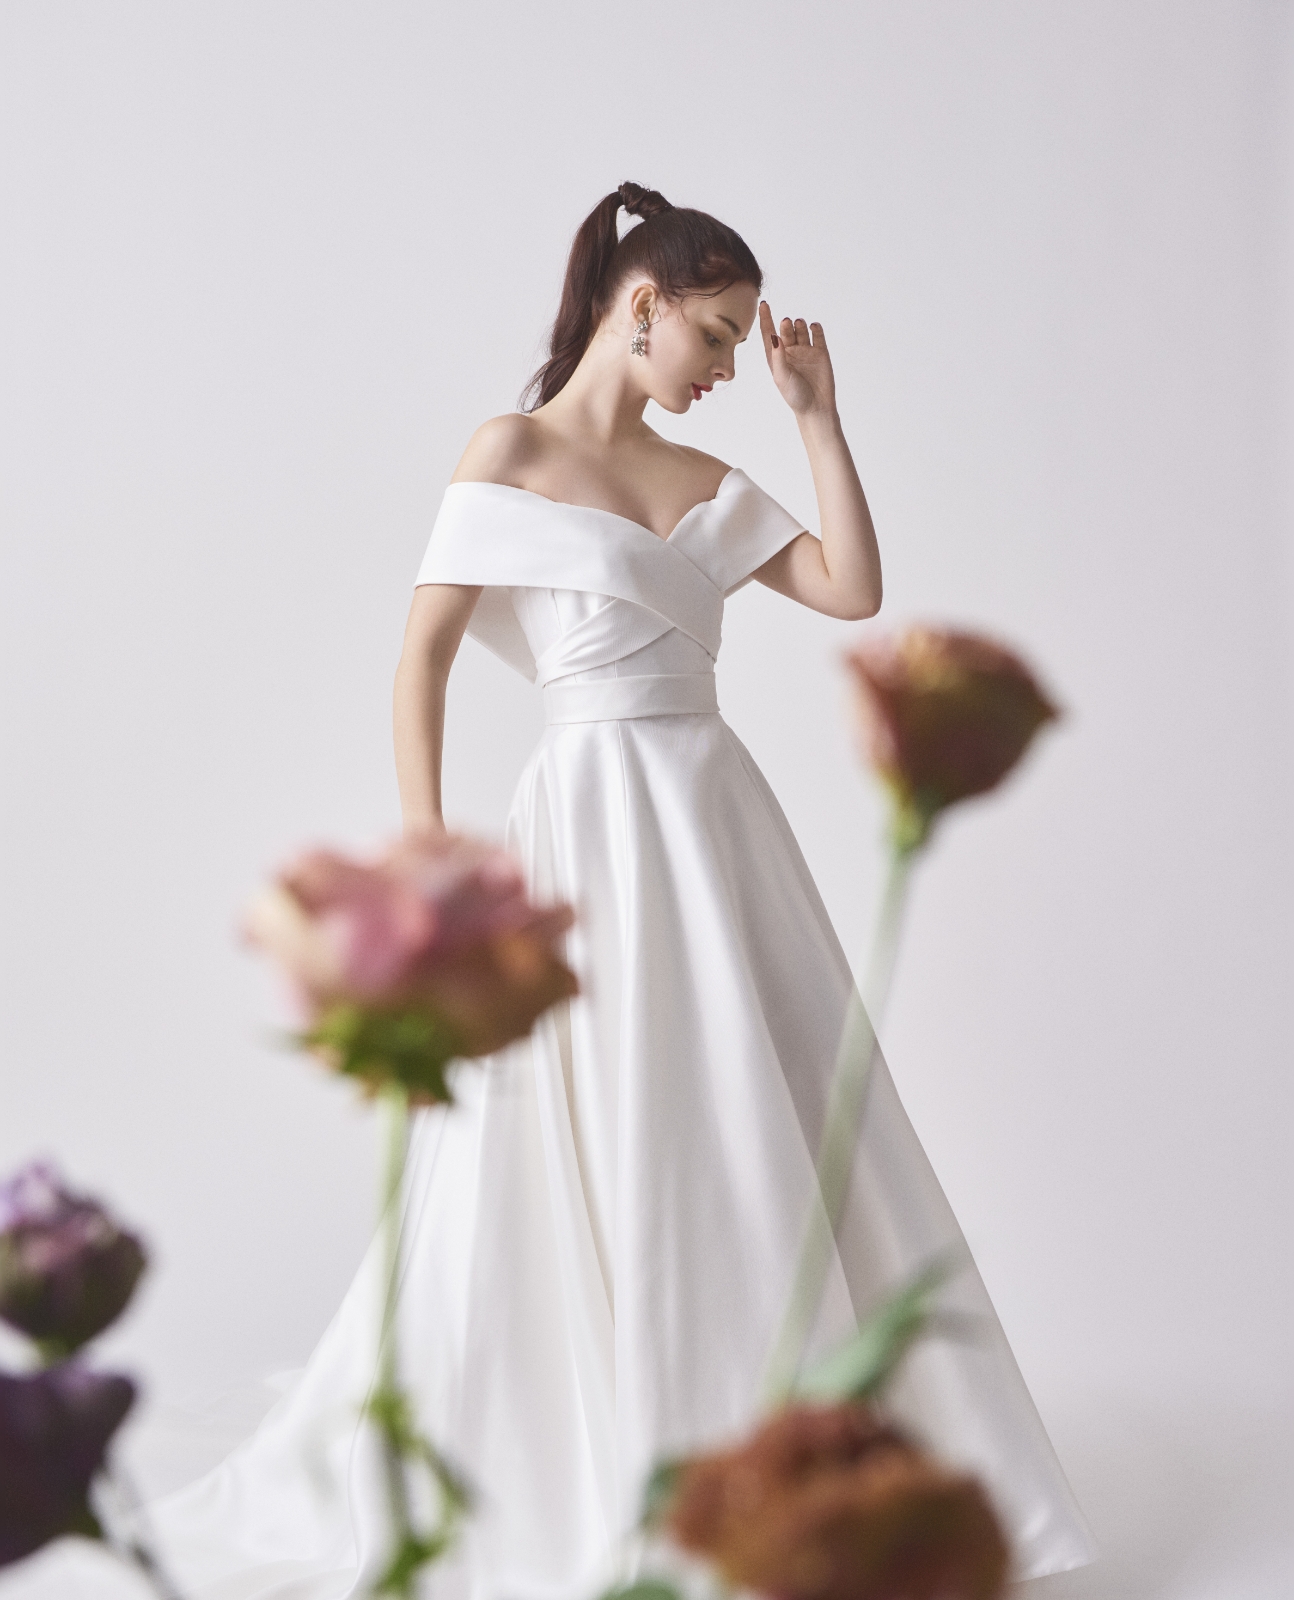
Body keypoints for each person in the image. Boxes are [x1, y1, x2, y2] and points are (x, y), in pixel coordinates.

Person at [141, 182, 1093, 1600]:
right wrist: (431, 857)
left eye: (740, 346)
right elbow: (420, 660)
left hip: (713, 820)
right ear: (640, 305)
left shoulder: (705, 480)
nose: (726, 368)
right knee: (587, 1112)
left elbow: (850, 591)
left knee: (752, 1101)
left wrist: (817, 419)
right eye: (714, 336)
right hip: (582, 818)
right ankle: (607, 1449)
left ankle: (772, 1451)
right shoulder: (510, 450)